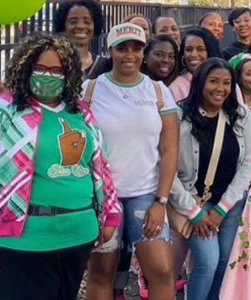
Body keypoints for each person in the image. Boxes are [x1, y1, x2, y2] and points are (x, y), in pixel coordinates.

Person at [0, 32, 121, 300]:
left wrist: (110, 215)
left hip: (77, 236)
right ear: (25, 69)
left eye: (56, 70)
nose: (46, 76)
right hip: (20, 241)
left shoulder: (80, 112)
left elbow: (100, 166)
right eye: (39, 68)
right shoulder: (3, 109)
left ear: (69, 73)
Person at [83, 23, 178, 300]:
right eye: (121, 48)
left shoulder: (158, 92)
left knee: (161, 271)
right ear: (110, 50)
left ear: (144, 52)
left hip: (145, 195)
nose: (129, 55)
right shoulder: (89, 89)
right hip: (102, 196)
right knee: (102, 273)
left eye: (136, 48)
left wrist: (161, 202)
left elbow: (169, 150)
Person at [170, 57, 251, 300]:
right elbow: (166, 168)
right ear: (200, 82)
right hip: (194, 202)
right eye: (214, 81)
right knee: (207, 261)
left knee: (223, 263)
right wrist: (194, 212)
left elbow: (247, 165)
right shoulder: (179, 116)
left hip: (229, 204)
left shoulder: (241, 115)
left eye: (226, 83)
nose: (220, 88)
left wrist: (222, 208)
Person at [169, 27, 222, 102]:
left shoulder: (226, 80)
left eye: (200, 49)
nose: (193, 54)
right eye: (188, 50)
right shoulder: (176, 87)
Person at [53, 0, 105, 76]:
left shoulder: (104, 66)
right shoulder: (53, 63)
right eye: (73, 22)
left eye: (87, 22)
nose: (81, 26)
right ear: (63, 26)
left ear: (95, 26)